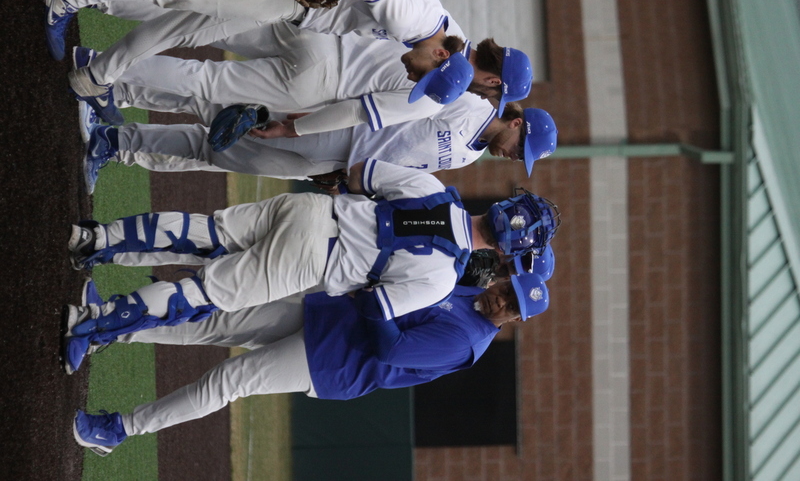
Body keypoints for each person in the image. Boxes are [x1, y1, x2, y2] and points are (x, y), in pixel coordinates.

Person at [61, 159, 561, 374]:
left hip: (310, 210)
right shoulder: (443, 278)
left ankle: (95, 238)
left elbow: (359, 173)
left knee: (203, 231)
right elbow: (377, 305)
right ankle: (91, 323)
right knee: (201, 296)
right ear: (506, 253)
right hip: (312, 262)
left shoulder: (434, 189)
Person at [68, 274, 549, 457]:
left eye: (510, 304)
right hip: (330, 313)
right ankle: (111, 329)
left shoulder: (466, 341)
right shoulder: (470, 292)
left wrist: (377, 303)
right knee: (215, 321)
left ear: (514, 321)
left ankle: (118, 431)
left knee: (227, 380)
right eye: (507, 288)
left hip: (335, 361)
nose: (501, 297)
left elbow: (391, 351)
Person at [42, 0, 530, 124]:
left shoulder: (437, 35)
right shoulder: (418, 23)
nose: (413, 74)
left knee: (182, 21)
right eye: (423, 73)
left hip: (288, 1)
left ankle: (96, 74)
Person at [80, 95, 557, 193]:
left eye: (523, 159)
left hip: (331, 160)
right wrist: (315, 117)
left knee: (219, 150)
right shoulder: (471, 104)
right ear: (518, 122)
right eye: (523, 147)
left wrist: (344, 180)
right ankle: (113, 87)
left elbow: (402, 164)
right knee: (221, 107)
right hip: (333, 126)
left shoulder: (473, 153)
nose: (517, 157)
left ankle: (114, 143)